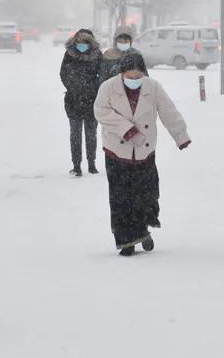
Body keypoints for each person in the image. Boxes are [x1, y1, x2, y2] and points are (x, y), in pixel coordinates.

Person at [94, 56, 191, 256]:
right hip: (116, 150)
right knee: (121, 198)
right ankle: (126, 241)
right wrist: (126, 129)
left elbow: (169, 111)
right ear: (122, 73)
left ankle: (142, 231)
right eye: (130, 76)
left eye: (138, 76)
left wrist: (180, 136)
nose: (134, 79)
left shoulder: (153, 87)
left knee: (145, 196)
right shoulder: (108, 87)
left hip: (144, 151)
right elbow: (101, 111)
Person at [60, 28, 102, 177]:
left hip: (92, 100)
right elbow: (63, 73)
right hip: (74, 100)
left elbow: (101, 74)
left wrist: (93, 88)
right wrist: (73, 88)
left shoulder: (97, 55)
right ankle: (76, 165)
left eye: (85, 42)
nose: (82, 44)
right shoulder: (69, 54)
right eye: (80, 42)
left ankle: (92, 164)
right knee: (75, 135)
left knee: (91, 134)